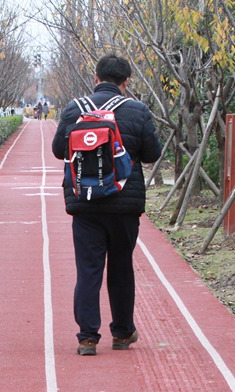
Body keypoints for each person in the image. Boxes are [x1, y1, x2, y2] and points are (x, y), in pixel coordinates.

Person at [51, 53, 163, 356]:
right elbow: (152, 153)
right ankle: (123, 333)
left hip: (85, 203)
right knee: (121, 267)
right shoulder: (137, 110)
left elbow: (58, 149)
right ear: (125, 82)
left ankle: (87, 337)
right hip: (124, 204)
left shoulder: (75, 109)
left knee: (88, 269)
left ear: (96, 78)